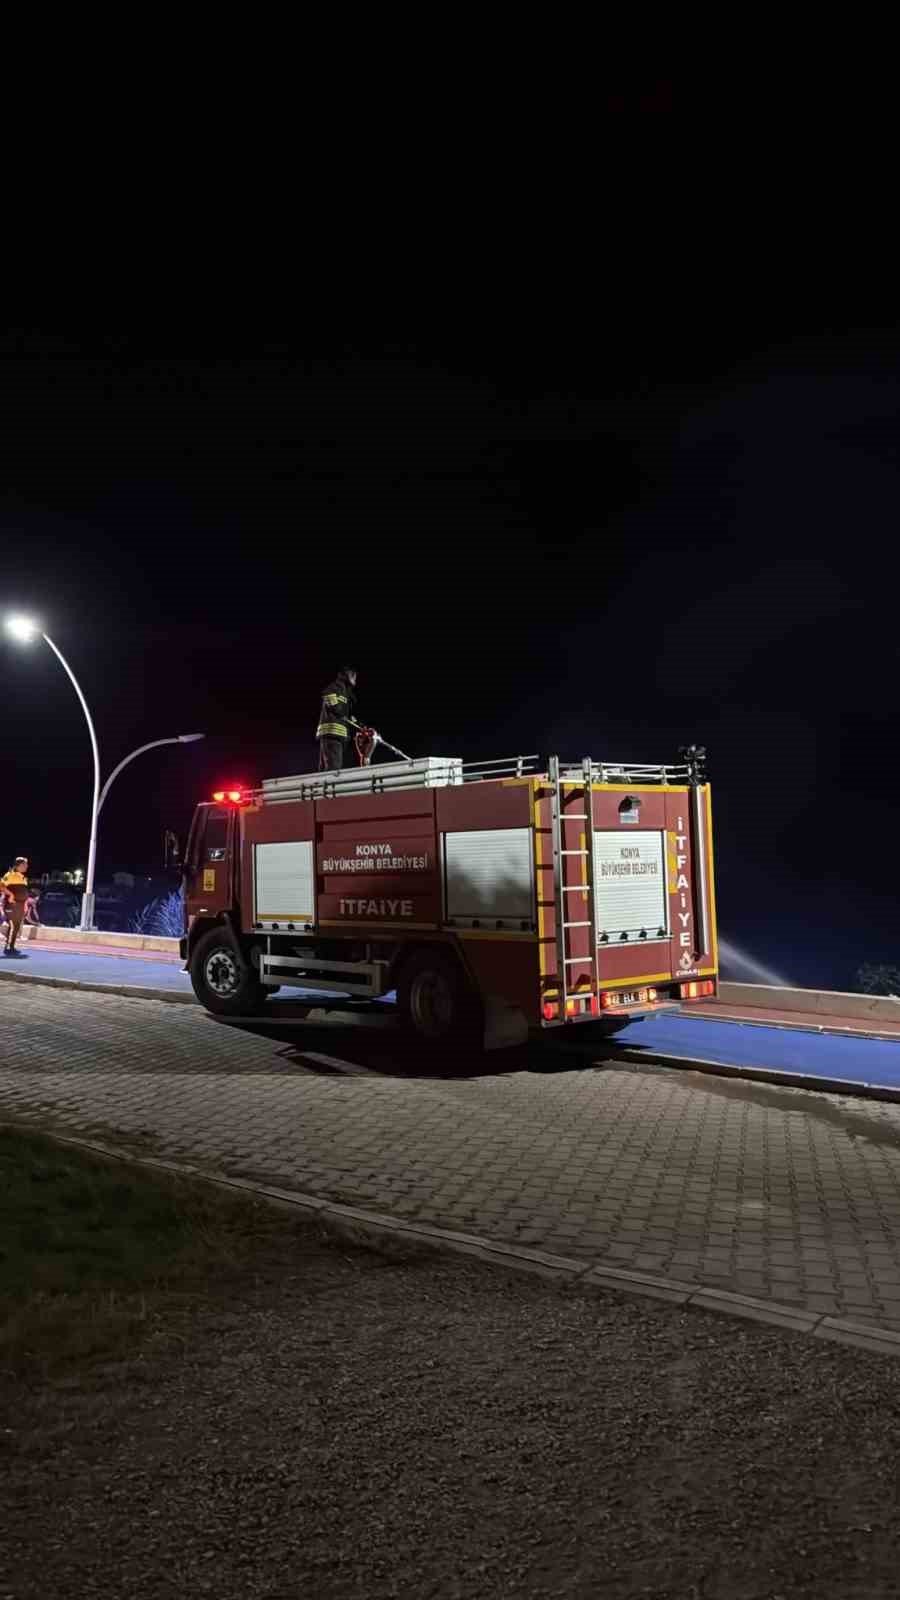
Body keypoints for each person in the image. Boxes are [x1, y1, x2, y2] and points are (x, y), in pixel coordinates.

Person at [316, 666, 358, 771]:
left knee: (327, 768)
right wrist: (341, 710)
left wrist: (356, 722)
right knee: (333, 768)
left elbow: (347, 713)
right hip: (331, 734)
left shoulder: (346, 693)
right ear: (343, 675)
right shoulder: (335, 688)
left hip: (338, 736)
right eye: (351, 674)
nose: (354, 677)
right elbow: (329, 697)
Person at [1, 856, 31, 957]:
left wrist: (25, 904)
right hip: (11, 904)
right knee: (13, 925)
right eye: (25, 864)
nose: (27, 866)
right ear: (18, 865)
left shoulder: (23, 877)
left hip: (20, 905)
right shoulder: (10, 875)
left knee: (17, 926)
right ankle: (9, 947)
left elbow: (24, 892)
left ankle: (11, 946)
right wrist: (11, 894)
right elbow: (1, 886)